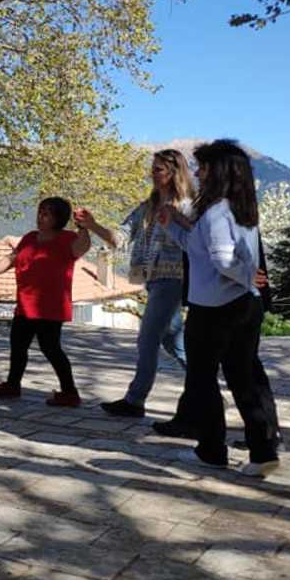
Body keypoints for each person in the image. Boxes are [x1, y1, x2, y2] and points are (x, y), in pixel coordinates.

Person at [157, 139, 281, 477]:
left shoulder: (216, 213)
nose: (197, 174)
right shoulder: (242, 212)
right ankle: (263, 452)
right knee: (244, 379)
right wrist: (170, 224)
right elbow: (198, 248)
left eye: (203, 168)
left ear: (218, 172)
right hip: (246, 306)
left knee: (202, 380)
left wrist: (245, 275)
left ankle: (212, 450)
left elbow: (223, 260)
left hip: (214, 310)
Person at [78, 149, 195, 418]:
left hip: (173, 279)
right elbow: (119, 238)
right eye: (152, 168)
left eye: (158, 169)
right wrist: (92, 225)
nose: (152, 174)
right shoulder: (146, 208)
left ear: (174, 173)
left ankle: (135, 399)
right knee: (173, 342)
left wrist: (177, 219)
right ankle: (208, 390)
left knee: (147, 338)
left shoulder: (188, 206)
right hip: (152, 280)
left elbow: (199, 238)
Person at [0, 197, 92, 406]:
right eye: (40, 212)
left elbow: (83, 246)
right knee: (18, 345)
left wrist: (83, 226)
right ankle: (13, 385)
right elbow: (11, 259)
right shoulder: (29, 238)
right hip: (25, 303)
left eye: (46, 213)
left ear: (58, 218)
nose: (40, 217)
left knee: (51, 348)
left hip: (50, 306)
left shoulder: (68, 239)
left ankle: (70, 392)